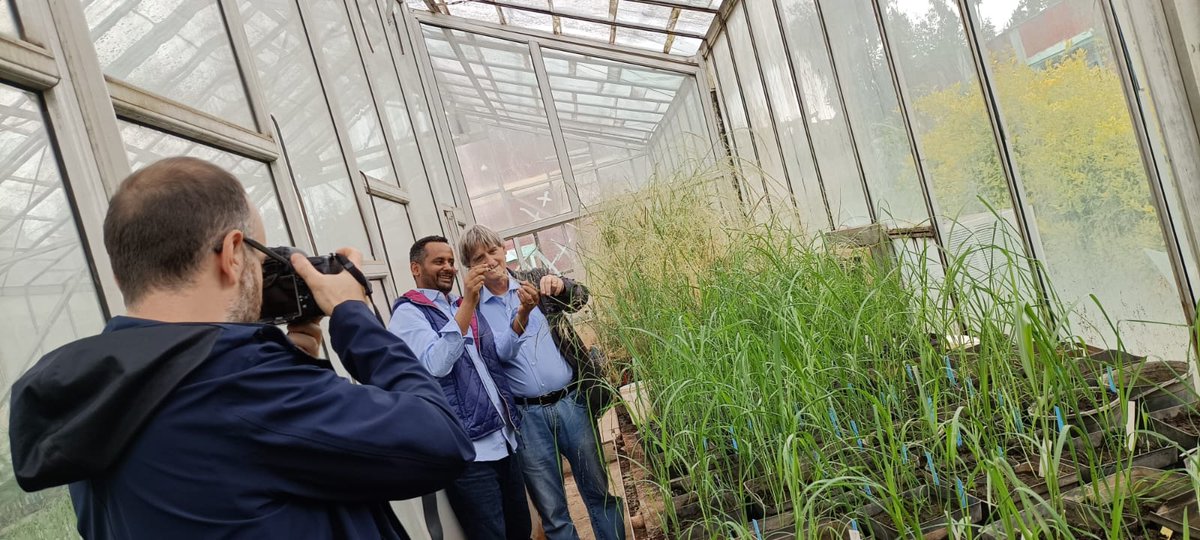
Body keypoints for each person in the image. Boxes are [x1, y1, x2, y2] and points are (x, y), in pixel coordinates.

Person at [7, 157, 474, 539]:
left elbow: (237, 474)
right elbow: (442, 438)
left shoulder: (95, 392)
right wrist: (354, 317)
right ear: (232, 253)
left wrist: (298, 356)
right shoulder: (238, 383)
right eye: (259, 254)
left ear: (122, 274)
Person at [460, 225, 625, 540]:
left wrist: (562, 285)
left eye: (492, 251)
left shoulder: (536, 280)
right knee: (552, 510)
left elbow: (581, 299)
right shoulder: (474, 310)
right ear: (470, 266)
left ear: (504, 249)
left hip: (571, 403)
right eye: (479, 258)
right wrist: (522, 313)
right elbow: (499, 356)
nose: (489, 261)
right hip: (526, 416)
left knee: (598, 491)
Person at [388, 236, 539, 540]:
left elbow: (498, 355)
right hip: (470, 453)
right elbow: (435, 365)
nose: (449, 268)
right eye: (438, 262)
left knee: (519, 530)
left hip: (503, 440)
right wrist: (470, 301)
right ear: (415, 268)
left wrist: (522, 314)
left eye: (451, 261)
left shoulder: (458, 305)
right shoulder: (408, 314)